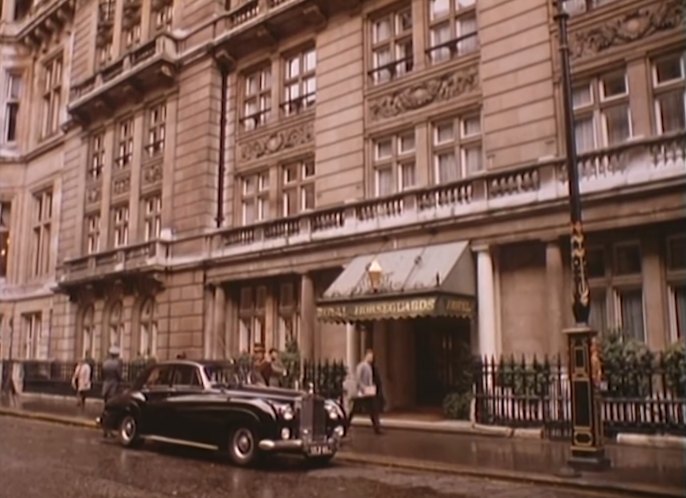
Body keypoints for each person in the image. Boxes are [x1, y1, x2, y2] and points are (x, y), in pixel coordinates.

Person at [348, 349, 383, 435]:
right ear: (366, 356)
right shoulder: (361, 366)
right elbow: (358, 379)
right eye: (370, 356)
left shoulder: (369, 366)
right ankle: (346, 424)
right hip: (362, 392)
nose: (371, 358)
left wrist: (371, 387)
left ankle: (377, 428)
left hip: (368, 391)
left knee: (373, 410)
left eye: (372, 357)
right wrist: (363, 388)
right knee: (354, 410)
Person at [101, 346, 123, 437]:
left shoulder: (105, 363)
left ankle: (105, 430)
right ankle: (109, 430)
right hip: (113, 388)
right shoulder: (117, 364)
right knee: (112, 411)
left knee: (106, 409)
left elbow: (102, 375)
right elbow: (119, 375)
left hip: (105, 387)